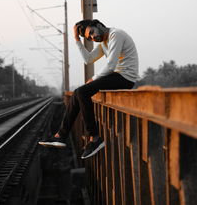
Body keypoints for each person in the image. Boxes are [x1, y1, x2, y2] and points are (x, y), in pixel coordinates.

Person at [39, 19, 139, 159]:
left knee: (82, 92)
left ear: (99, 25)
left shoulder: (116, 35)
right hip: (116, 76)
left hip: (125, 77)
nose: (92, 37)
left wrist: (93, 78)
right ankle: (61, 135)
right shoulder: (103, 42)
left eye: (92, 32)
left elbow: (110, 65)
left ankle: (95, 137)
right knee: (77, 93)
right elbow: (88, 59)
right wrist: (76, 39)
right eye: (89, 37)